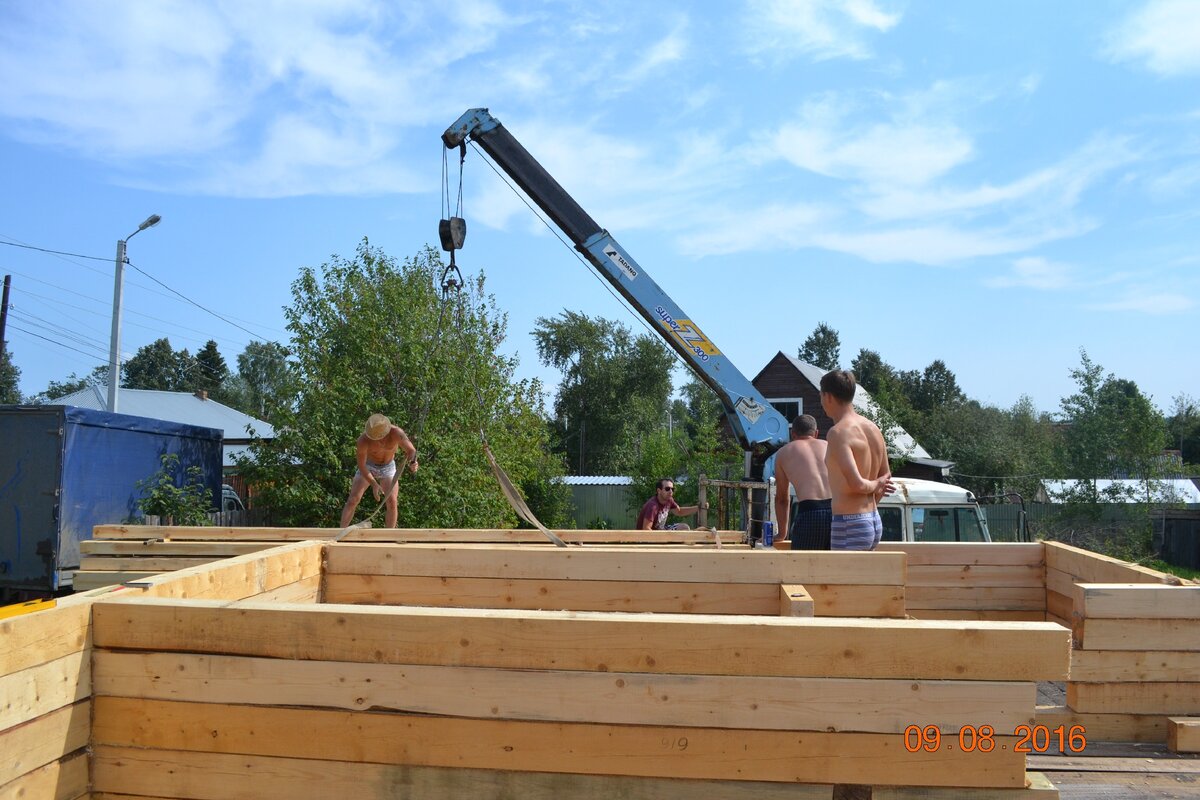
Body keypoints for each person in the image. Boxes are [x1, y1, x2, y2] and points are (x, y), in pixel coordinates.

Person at [820, 370, 892, 551]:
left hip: (849, 524)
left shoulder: (838, 433)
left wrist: (875, 484)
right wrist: (875, 491)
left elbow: (857, 484)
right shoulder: (873, 428)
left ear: (828, 397)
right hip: (872, 518)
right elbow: (886, 476)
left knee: (841, 579)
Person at [340, 413, 418, 529]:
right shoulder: (363, 441)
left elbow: (411, 450)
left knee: (392, 502)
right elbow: (361, 466)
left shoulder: (397, 433)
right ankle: (341, 532)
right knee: (353, 499)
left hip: (388, 467)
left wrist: (413, 462)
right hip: (369, 466)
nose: (377, 440)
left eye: (379, 437)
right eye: (374, 437)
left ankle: (388, 538)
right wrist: (374, 484)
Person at [772, 414, 832, 550]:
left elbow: (782, 499)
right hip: (838, 512)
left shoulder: (783, 453)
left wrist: (782, 534)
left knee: (801, 567)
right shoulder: (829, 446)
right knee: (835, 568)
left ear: (793, 434)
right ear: (816, 433)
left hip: (809, 513)